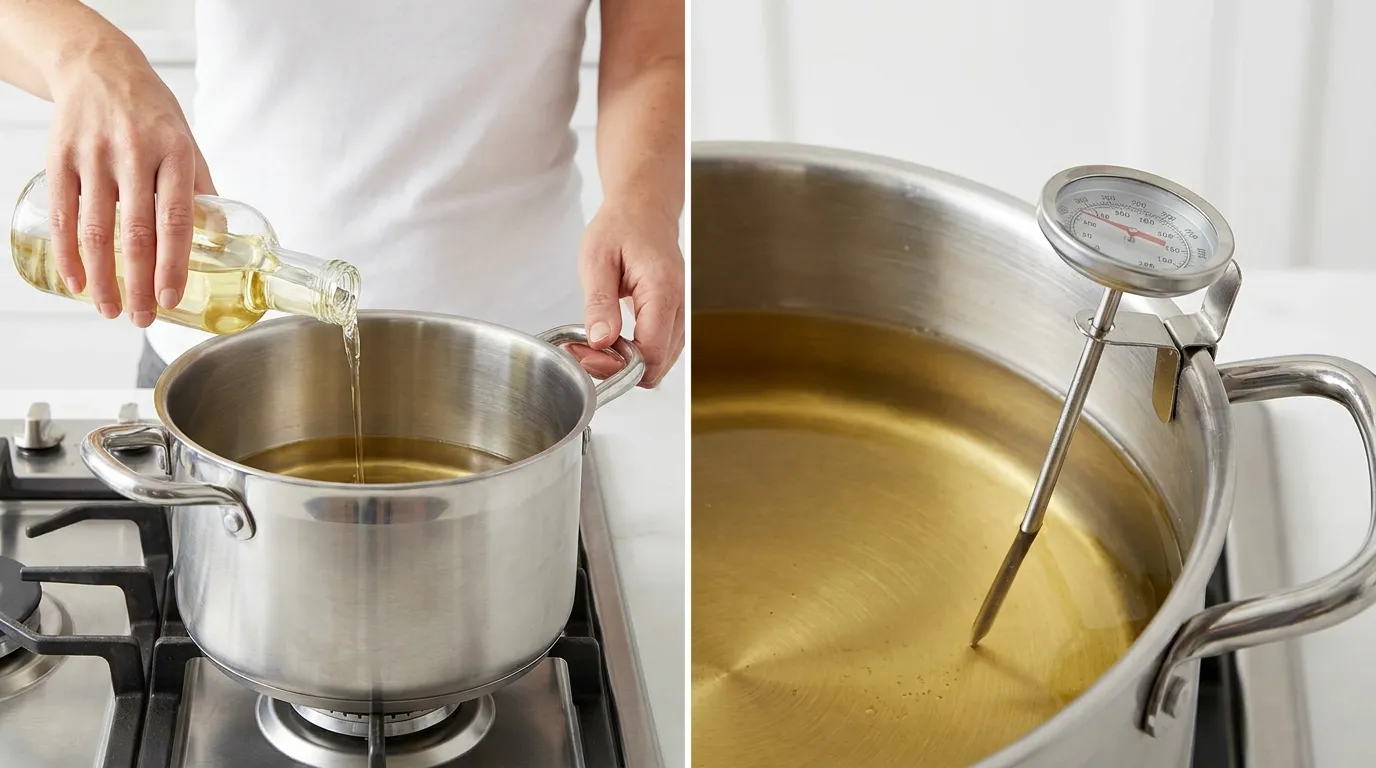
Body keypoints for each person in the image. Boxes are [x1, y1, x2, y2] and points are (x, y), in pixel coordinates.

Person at [0, 0, 685, 389]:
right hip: (220, 348)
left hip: (523, 357)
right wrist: (86, 56)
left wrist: (642, 200)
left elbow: (650, 51)